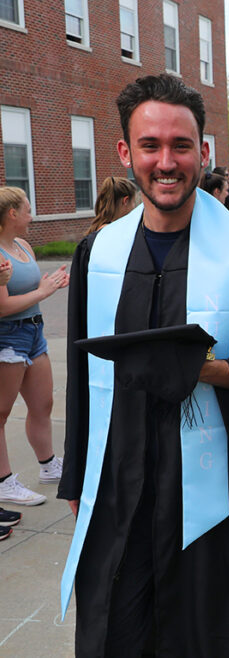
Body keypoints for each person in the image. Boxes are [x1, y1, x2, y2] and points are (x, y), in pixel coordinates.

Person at [58, 74, 229, 656]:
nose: (166, 161)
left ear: (204, 152)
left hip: (216, 491)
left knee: (213, 634)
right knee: (118, 635)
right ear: (126, 153)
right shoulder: (99, 254)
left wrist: (199, 368)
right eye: (150, 145)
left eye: (181, 146)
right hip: (120, 483)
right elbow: (83, 378)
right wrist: (77, 475)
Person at [0, 187, 68, 509]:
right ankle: (4, 482)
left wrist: (49, 284)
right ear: (12, 213)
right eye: (27, 209)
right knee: (0, 413)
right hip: (7, 338)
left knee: (43, 404)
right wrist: (43, 292)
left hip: (34, 333)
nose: (32, 215)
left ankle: (49, 465)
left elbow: (33, 286)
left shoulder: (24, 246)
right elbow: (2, 307)